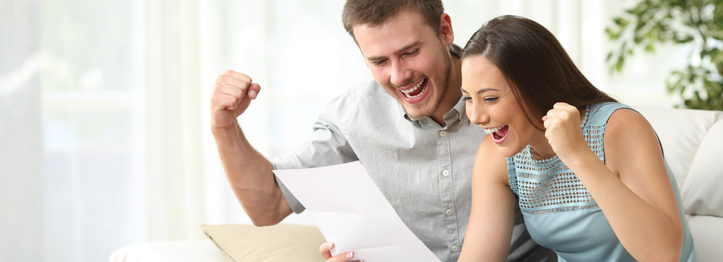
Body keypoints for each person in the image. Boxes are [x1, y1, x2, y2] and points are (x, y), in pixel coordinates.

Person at [210, 1, 555, 262]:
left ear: (445, 30)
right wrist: (224, 127)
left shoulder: (512, 90)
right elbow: (267, 206)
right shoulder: (353, 117)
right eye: (379, 61)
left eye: (410, 52)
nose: (399, 75)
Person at [457, 15, 698, 261]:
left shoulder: (619, 128)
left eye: (489, 99)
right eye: (467, 98)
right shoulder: (497, 155)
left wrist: (577, 154)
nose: (475, 117)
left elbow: (665, 253)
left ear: (535, 87)